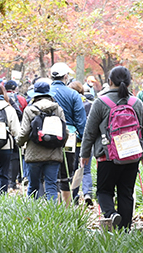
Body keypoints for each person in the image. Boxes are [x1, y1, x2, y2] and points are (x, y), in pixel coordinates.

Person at [80, 66, 143, 230]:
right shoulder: (136, 103)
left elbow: (89, 132)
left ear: (109, 81)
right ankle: (125, 230)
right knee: (126, 193)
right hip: (131, 156)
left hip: (107, 156)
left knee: (104, 191)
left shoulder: (100, 103)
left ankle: (111, 214)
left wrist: (84, 154)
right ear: (129, 82)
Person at [16, 81, 67, 201]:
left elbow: (24, 132)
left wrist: (19, 142)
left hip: (34, 155)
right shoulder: (58, 109)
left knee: (33, 186)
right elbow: (66, 132)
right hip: (53, 154)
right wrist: (60, 145)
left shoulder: (29, 110)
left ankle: (31, 213)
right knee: (51, 185)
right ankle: (52, 215)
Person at [49, 62, 87, 205]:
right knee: (67, 173)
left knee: (50, 172)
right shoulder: (73, 94)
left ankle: (52, 205)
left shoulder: (43, 93)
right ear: (66, 76)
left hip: (45, 138)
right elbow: (80, 120)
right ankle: (67, 206)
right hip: (69, 137)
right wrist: (84, 141)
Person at [68, 81, 94, 206]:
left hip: (72, 141)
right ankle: (88, 192)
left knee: (74, 170)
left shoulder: (70, 104)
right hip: (87, 141)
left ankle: (74, 196)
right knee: (86, 170)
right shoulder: (89, 104)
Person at [4, 79, 28, 190]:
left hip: (0, 131)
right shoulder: (21, 99)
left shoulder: (0, 97)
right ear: (15, 88)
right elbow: (23, 114)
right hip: (16, 129)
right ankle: (13, 181)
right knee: (15, 156)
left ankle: (3, 181)